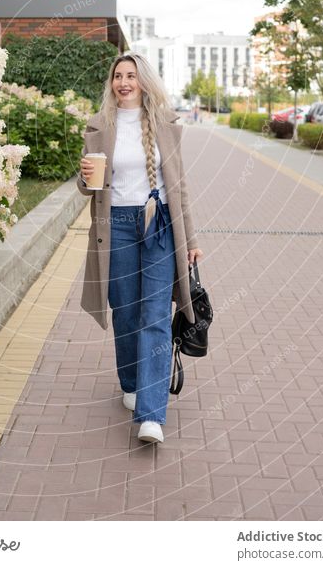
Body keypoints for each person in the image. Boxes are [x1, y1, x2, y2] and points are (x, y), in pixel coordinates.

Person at [76, 53, 203, 444]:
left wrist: (192, 240)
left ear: (144, 81)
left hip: (160, 223)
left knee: (156, 315)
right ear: (112, 83)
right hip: (116, 226)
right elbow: (88, 187)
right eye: (118, 76)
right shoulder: (99, 127)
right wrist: (84, 179)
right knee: (126, 310)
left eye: (131, 75)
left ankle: (152, 413)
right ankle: (131, 381)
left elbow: (178, 188)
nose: (124, 82)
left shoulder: (166, 125)